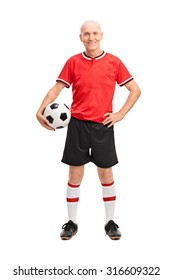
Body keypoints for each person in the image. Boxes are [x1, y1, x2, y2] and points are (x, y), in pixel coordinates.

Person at [36, 20, 141, 240]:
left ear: (101, 35)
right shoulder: (73, 62)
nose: (91, 37)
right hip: (77, 126)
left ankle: (110, 222)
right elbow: (56, 89)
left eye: (94, 33)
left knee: (106, 173)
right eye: (86, 34)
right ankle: (72, 223)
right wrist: (40, 110)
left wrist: (120, 114)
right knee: (75, 174)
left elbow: (135, 90)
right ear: (81, 37)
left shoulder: (114, 62)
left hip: (103, 126)